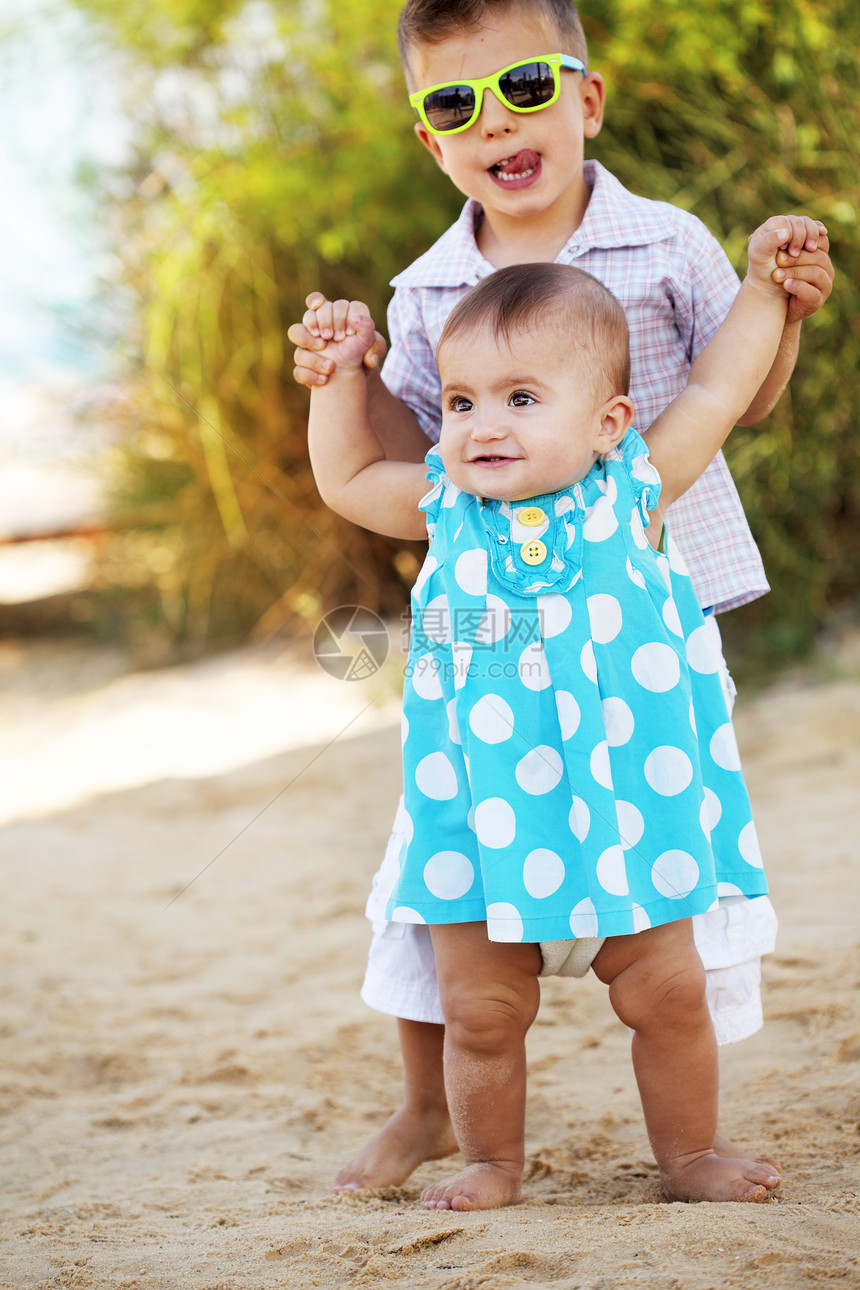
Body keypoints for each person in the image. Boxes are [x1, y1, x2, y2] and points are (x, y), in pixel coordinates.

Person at [288, 0, 834, 1193]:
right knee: (479, 996)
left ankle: (684, 1147)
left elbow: (722, 390)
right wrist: (342, 375)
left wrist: (763, 288)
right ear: (430, 140)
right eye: (471, 403)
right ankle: (481, 1154)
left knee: (662, 983)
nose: (480, 424)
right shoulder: (447, 490)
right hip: (481, 781)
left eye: (518, 402)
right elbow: (356, 469)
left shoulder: (632, 483)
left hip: (630, 768)